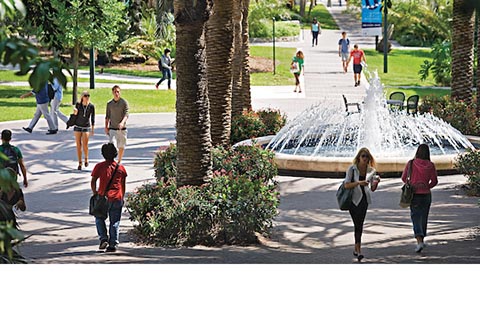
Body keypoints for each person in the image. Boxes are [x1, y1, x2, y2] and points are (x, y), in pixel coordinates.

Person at [343, 147, 380, 262]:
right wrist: (359, 182)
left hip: (364, 200)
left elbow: (372, 189)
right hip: (353, 200)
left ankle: (358, 250)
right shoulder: (352, 169)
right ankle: (357, 248)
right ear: (358, 157)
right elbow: (346, 185)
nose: (365, 158)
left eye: (367, 156)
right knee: (357, 223)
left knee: (360, 224)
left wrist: (376, 183)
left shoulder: (371, 170)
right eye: (363, 156)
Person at [91, 143, 127, 252]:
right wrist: (122, 197)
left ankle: (103, 238)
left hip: (103, 197)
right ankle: (113, 244)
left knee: (99, 218)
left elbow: (93, 181)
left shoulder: (99, 166)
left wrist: (95, 193)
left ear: (103, 154)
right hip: (117, 197)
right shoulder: (120, 168)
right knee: (115, 221)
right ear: (115, 154)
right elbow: (123, 184)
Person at [401, 144, 438, 253]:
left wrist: (412, 184)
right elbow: (434, 181)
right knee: (423, 217)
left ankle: (419, 241)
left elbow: (404, 178)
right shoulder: (431, 165)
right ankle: (422, 239)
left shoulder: (411, 163)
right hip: (426, 195)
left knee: (415, 217)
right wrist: (427, 186)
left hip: (414, 195)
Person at [105, 85, 129, 163]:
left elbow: (126, 115)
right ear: (112, 92)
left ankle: (119, 161)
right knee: (112, 144)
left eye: (118, 92)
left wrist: (122, 123)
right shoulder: (109, 104)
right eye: (115, 92)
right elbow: (107, 116)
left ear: (120, 92)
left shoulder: (124, 102)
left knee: (121, 146)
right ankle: (112, 161)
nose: (116, 93)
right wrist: (106, 127)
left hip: (122, 129)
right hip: (112, 128)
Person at [73, 91, 95, 170]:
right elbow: (75, 115)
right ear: (82, 97)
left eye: (88, 96)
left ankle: (86, 158)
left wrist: (92, 128)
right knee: (78, 145)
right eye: (85, 96)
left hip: (86, 126)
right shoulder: (78, 105)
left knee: (85, 145)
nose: (87, 97)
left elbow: (93, 118)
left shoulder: (91, 106)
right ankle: (80, 162)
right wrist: (75, 112)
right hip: (77, 126)